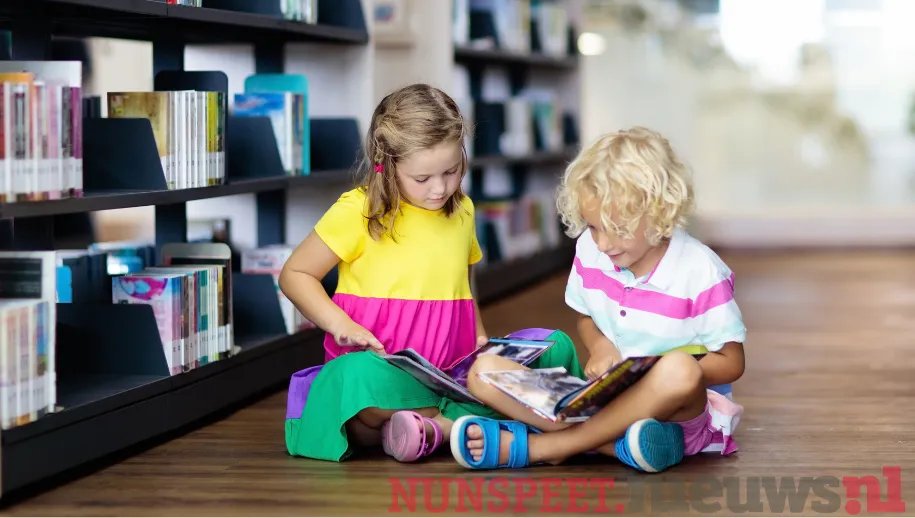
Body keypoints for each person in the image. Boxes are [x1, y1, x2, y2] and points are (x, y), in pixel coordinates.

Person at [279, 84, 586, 463]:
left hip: (455, 373)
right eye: (422, 179)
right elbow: (295, 273)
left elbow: (460, 288)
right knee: (352, 379)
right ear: (386, 164)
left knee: (556, 345)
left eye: (451, 171)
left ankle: (433, 427)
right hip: (387, 372)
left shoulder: (464, 212)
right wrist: (339, 323)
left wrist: (478, 336)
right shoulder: (357, 212)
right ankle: (466, 422)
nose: (439, 188)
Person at [449, 126, 747, 473]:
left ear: (660, 212)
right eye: (593, 227)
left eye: (617, 229)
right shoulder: (591, 251)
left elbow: (731, 362)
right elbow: (586, 318)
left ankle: (549, 445)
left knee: (679, 370)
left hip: (678, 409)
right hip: (602, 398)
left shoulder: (699, 270)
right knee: (483, 371)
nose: (603, 244)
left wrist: (650, 374)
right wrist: (602, 348)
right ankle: (615, 445)